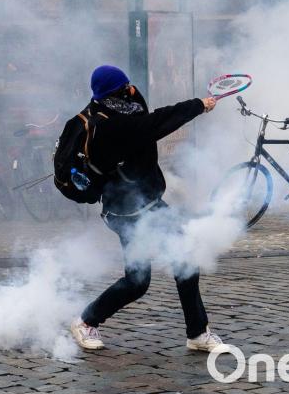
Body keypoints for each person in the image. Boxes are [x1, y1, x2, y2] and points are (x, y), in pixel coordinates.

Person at [69, 65, 226, 352]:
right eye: (125, 86)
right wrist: (198, 106)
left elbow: (144, 114)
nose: (132, 88)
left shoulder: (122, 109)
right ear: (115, 93)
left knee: (184, 258)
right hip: (125, 213)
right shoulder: (111, 125)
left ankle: (197, 333)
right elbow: (157, 122)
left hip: (149, 204)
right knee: (137, 282)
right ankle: (85, 321)